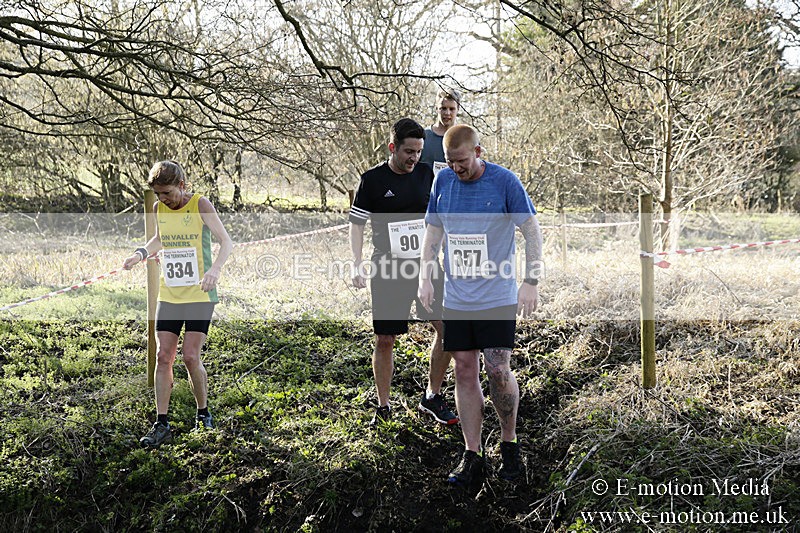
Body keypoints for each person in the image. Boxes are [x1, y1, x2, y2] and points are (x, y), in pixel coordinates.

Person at [418, 125, 543, 485]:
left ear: (478, 151)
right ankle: (472, 454)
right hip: (458, 297)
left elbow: (532, 231)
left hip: (497, 296)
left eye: (462, 161)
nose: (456, 169)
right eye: (450, 163)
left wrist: (531, 280)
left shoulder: (505, 182)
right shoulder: (442, 182)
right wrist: (426, 276)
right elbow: (433, 235)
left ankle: (510, 448)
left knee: (498, 369)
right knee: (464, 369)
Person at [349, 118, 458, 426]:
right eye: (409, 151)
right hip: (388, 268)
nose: (414, 158)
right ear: (393, 147)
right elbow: (356, 225)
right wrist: (356, 262)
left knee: (448, 329)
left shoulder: (428, 174)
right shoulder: (371, 180)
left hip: (425, 267)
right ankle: (383, 406)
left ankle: (432, 397)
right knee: (385, 338)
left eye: (419, 151)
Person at [123, 160, 233, 447]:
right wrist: (140, 254)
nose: (163, 199)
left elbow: (227, 242)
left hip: (199, 294)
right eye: (158, 194)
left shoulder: (200, 204)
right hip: (170, 294)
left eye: (168, 193)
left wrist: (215, 270)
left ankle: (203, 414)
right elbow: (159, 240)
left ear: (182, 186)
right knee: (163, 356)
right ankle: (161, 423)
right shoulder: (160, 209)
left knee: (190, 357)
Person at [420, 88, 461, 177]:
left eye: (452, 109)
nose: (447, 113)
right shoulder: (423, 137)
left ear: (458, 109)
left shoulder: (465, 138)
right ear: (436, 109)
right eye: (443, 108)